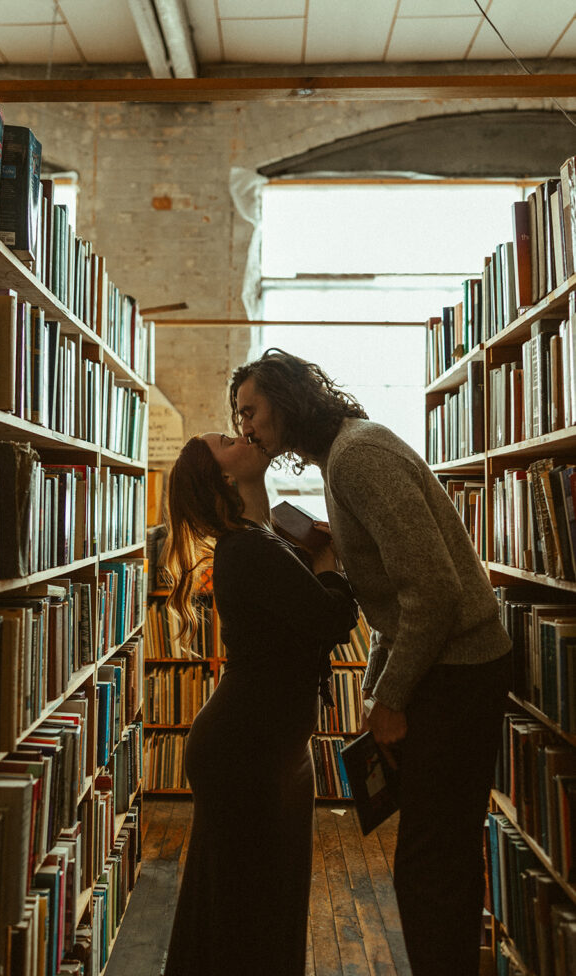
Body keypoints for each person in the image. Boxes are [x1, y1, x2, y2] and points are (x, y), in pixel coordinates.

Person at [229, 348, 512, 976]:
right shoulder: (343, 457)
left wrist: (389, 697)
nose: (245, 425)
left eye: (250, 410)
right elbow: (395, 596)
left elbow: (432, 593)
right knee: (435, 857)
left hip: (459, 672)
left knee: (429, 866)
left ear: (285, 398)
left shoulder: (358, 457)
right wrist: (378, 685)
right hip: (445, 669)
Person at [162, 430, 358, 976]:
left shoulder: (261, 538)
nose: (243, 434)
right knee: (247, 906)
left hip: (265, 749)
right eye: (227, 439)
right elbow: (330, 619)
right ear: (226, 477)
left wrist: (316, 558)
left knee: (253, 900)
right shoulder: (248, 547)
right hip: (246, 753)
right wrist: (329, 562)